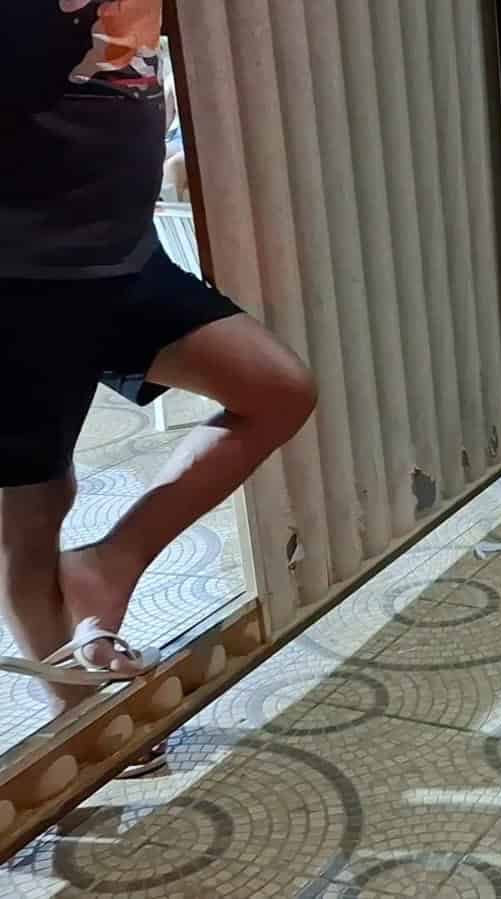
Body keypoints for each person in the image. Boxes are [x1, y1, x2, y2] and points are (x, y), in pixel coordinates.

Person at [1, 1, 317, 774]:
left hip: (125, 258)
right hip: (23, 276)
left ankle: (108, 564)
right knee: (33, 508)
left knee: (278, 390)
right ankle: (79, 717)